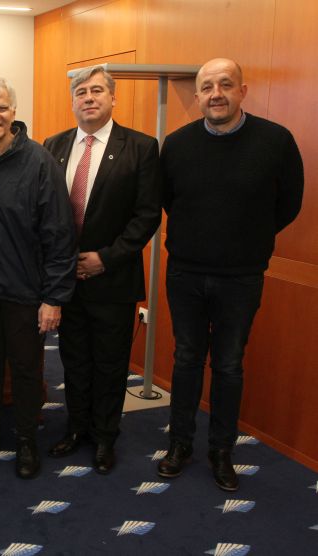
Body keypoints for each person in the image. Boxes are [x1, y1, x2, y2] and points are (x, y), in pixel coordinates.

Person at [158, 58, 303, 491]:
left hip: (241, 276)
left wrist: (248, 237)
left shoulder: (275, 141)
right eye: (207, 86)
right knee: (186, 359)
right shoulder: (177, 144)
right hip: (186, 273)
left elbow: (289, 203)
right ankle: (180, 444)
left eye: (225, 84)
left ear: (243, 91)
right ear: (198, 95)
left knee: (228, 364)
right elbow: (169, 200)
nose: (216, 93)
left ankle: (221, 451)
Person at [0, 76, 77, 479]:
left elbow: (59, 233)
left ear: (13, 112)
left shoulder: (38, 161)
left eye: (1, 108)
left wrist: (53, 297)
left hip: (25, 291)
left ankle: (26, 441)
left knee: (26, 370)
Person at [43, 66, 161, 474]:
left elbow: (147, 215)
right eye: (81, 92)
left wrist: (105, 258)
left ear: (113, 98)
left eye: (97, 90)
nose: (89, 98)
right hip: (67, 278)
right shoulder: (54, 145)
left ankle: (105, 437)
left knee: (110, 364)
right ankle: (76, 428)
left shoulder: (141, 147)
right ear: (73, 101)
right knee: (74, 359)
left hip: (113, 278)